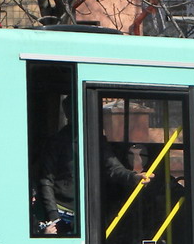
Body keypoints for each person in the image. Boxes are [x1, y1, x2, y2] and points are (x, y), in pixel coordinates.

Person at [37, 101, 153, 235]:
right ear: (68, 114)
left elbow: (113, 168)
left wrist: (133, 177)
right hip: (62, 211)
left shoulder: (96, 140)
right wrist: (54, 216)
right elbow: (46, 180)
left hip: (90, 212)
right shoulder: (56, 142)